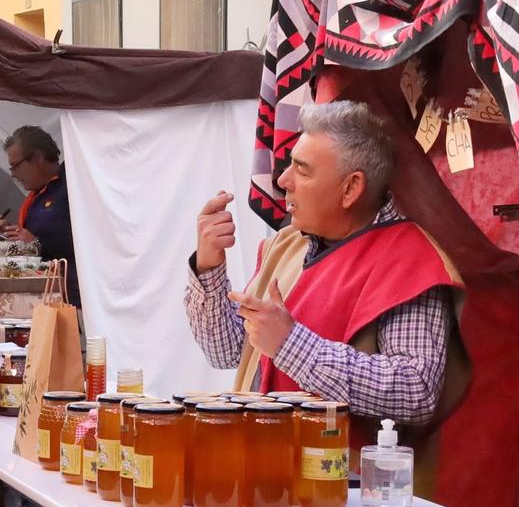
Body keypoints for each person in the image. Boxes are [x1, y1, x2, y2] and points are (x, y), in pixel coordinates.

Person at [185, 100, 463, 441]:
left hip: (342, 473)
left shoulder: (410, 260)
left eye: (302, 170)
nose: (283, 180)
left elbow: (415, 391)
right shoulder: (286, 244)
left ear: (351, 188)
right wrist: (209, 267)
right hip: (258, 461)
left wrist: (290, 344)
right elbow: (225, 350)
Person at [0, 125, 78, 302]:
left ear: (38, 157)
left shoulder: (73, 183)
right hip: (45, 290)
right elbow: (41, 231)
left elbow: (83, 239)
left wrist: (36, 243)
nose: (13, 175)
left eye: (16, 166)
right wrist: (13, 231)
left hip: (71, 294)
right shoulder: (40, 191)